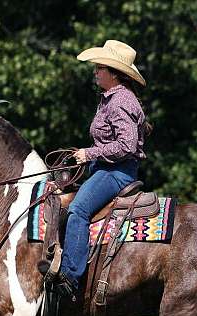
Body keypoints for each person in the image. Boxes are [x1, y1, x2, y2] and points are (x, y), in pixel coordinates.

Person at [52, 40, 149, 298]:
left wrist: (89, 153)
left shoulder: (120, 102)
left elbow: (126, 145)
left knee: (78, 210)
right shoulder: (109, 99)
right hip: (104, 168)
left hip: (117, 172)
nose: (95, 72)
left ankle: (71, 278)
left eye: (99, 68)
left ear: (113, 73)